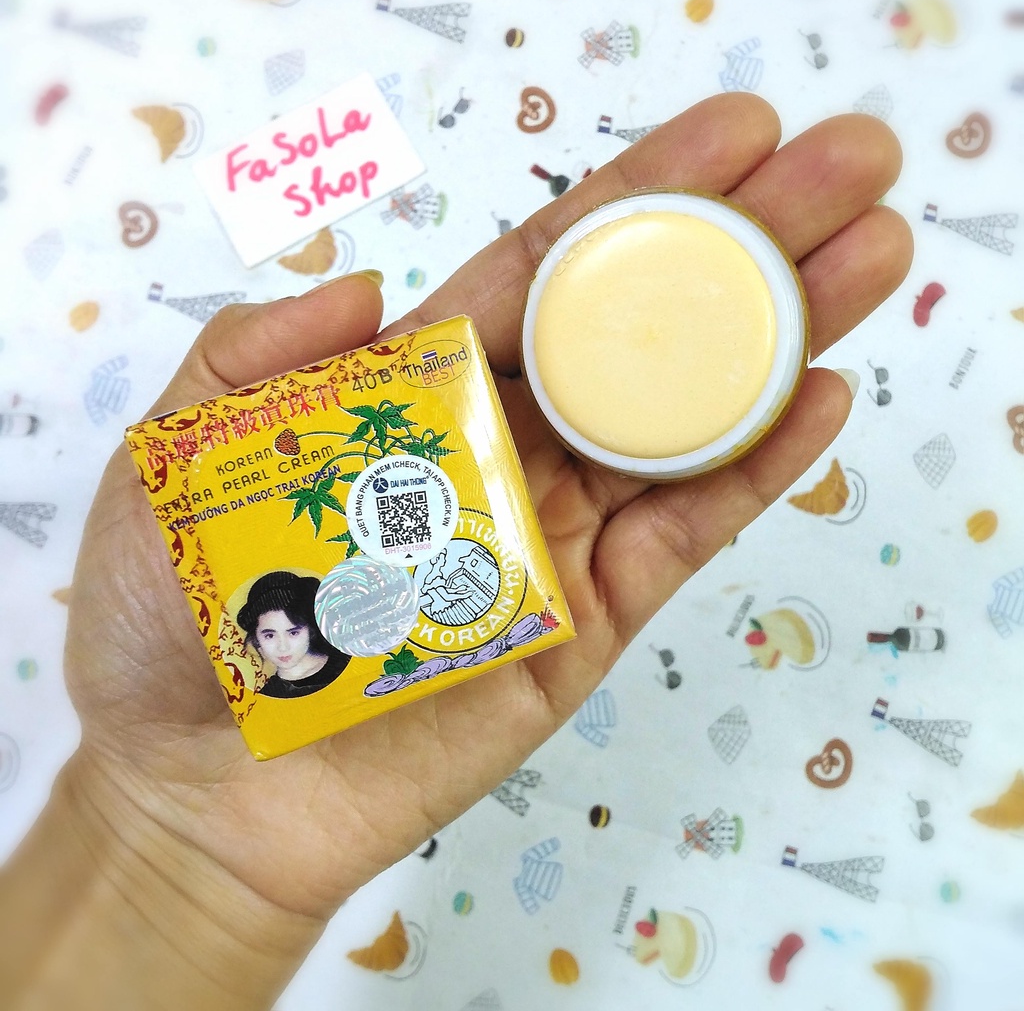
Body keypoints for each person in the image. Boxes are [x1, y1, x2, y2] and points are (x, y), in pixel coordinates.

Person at [0, 94, 913, 1008]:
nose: (277, 643)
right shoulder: (268, 668)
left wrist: (156, 838)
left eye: (281, 628)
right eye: (268, 634)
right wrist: (160, 820)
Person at [236, 571, 349, 699]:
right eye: (270, 636)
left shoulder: (345, 663)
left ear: (310, 630)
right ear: (256, 638)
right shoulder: (269, 695)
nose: (283, 647)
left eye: (293, 633)